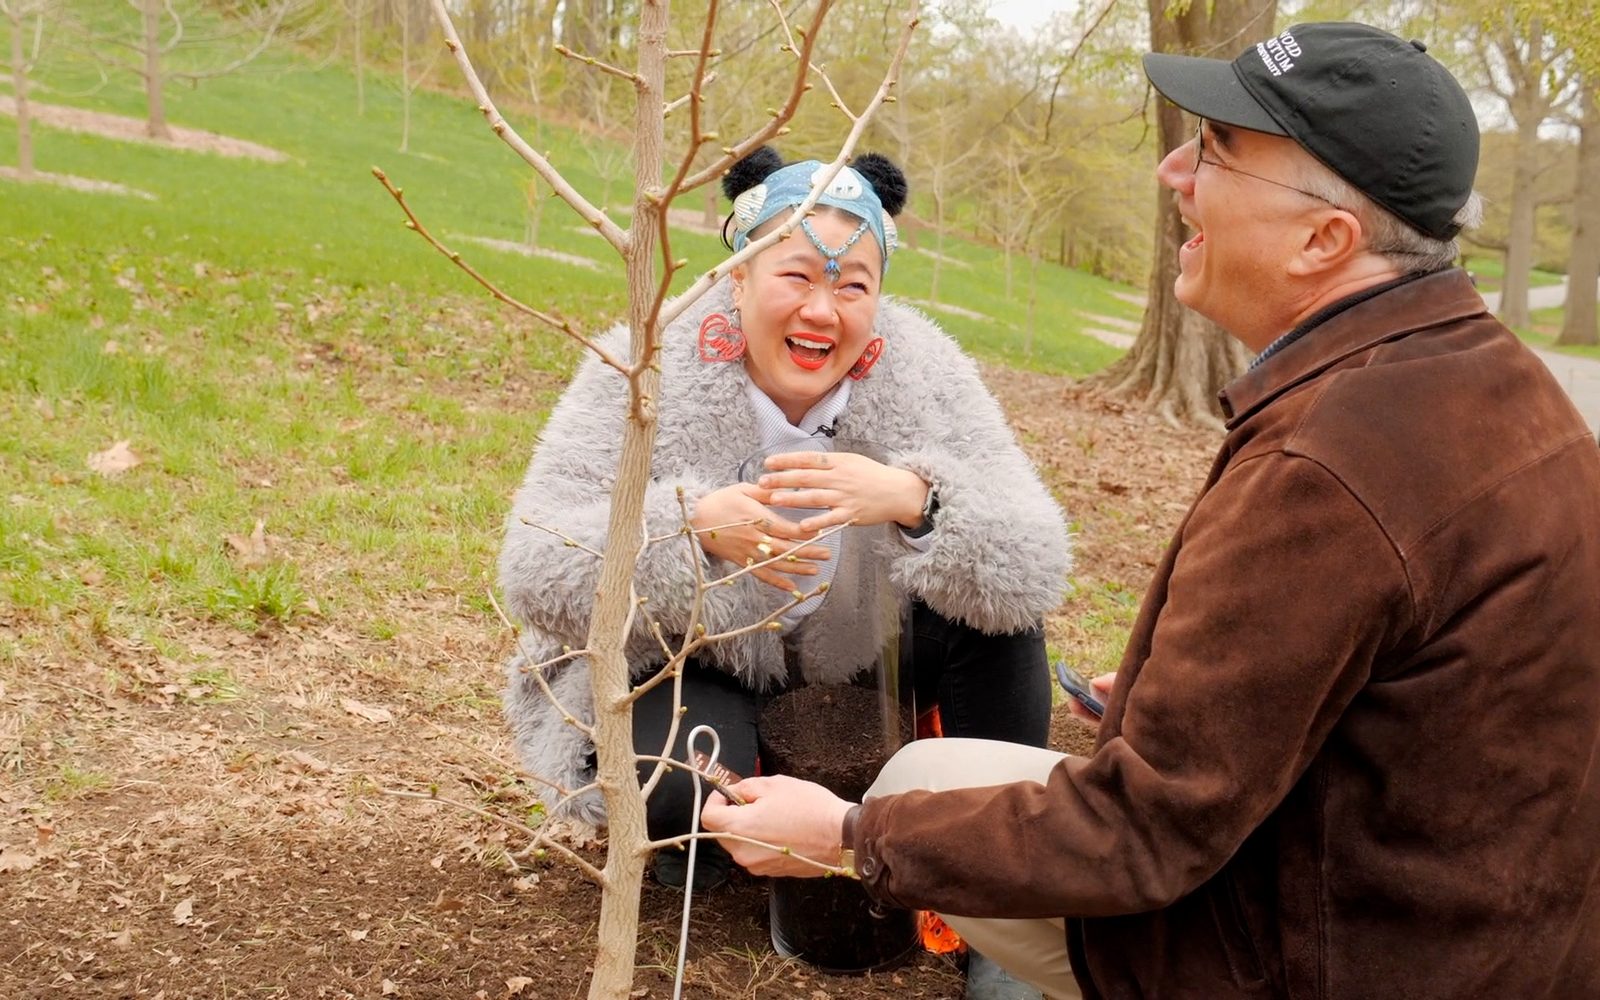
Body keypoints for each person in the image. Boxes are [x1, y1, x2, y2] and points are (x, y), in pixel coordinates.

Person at [703, 22, 1600, 1000]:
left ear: (1325, 238)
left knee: (908, 794)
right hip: (1480, 925)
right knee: (945, 784)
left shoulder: (1330, 467)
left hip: (1353, 956)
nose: (1175, 169)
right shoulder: (1492, 384)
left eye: (1217, 151)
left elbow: (1143, 835)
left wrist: (839, 835)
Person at [497, 148, 1069, 995]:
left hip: (869, 659)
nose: (822, 310)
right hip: (706, 656)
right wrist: (686, 528)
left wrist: (918, 499)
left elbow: (1035, 558)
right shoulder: (646, 366)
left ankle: (994, 876)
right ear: (736, 276)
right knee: (668, 793)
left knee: (1002, 618)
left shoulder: (927, 373)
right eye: (795, 275)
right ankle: (780, 815)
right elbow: (533, 565)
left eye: (852, 286)